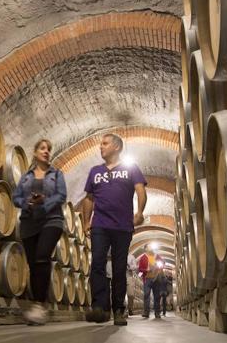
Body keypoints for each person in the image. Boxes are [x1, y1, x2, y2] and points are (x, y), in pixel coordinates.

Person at [82, 133, 147, 326]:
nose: (100, 147)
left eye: (105, 144)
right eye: (101, 144)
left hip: (123, 225)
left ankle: (118, 309)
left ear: (116, 147)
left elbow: (140, 190)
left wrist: (140, 211)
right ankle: (100, 308)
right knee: (98, 264)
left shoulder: (130, 168)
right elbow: (88, 198)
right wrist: (86, 221)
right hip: (100, 224)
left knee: (119, 268)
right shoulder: (95, 171)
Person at [12, 138, 67, 325]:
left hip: (52, 220)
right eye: (42, 148)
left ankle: (38, 305)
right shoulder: (26, 177)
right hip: (29, 222)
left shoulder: (56, 174)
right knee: (33, 264)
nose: (46, 151)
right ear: (35, 153)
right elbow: (15, 197)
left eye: (49, 149)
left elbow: (61, 195)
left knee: (43, 257)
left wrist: (44, 203)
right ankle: (38, 304)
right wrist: (27, 202)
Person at [138, 244, 164, 318]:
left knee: (157, 296)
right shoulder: (143, 257)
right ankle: (146, 312)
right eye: (149, 246)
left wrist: (158, 266)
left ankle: (157, 312)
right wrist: (146, 270)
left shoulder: (156, 256)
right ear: (145, 248)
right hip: (147, 278)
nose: (151, 247)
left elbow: (162, 263)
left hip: (156, 278)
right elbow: (140, 269)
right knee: (146, 295)